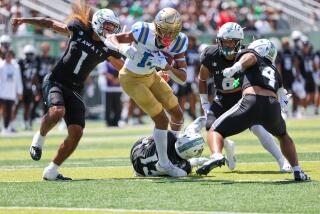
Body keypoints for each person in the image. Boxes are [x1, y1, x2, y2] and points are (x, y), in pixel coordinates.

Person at [12, 1, 124, 181]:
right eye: (107, 27)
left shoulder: (107, 48)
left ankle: (52, 170)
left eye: (113, 28)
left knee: (76, 132)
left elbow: (124, 67)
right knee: (57, 111)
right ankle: (39, 138)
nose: (110, 31)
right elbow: (49, 23)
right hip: (56, 80)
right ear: (97, 23)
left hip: (75, 89)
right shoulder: (78, 29)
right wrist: (25, 19)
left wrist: (155, 73)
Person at [196, 39, 310, 182]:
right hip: (272, 107)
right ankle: (297, 171)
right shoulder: (274, 70)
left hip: (252, 101)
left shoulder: (251, 55)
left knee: (214, 130)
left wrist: (235, 67)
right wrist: (283, 103)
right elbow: (283, 98)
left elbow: (250, 57)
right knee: (283, 135)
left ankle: (217, 155)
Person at [105, 8, 188, 177]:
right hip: (131, 78)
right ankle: (163, 163)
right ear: (156, 26)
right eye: (164, 31)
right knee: (161, 119)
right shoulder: (143, 31)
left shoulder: (179, 42)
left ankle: (171, 154)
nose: (167, 37)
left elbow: (182, 78)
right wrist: (123, 49)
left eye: (171, 33)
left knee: (177, 114)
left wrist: (168, 67)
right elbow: (110, 38)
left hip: (151, 75)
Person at [198, 22, 291, 172]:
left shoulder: (247, 55)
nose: (228, 45)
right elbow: (202, 79)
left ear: (239, 42)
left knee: (257, 127)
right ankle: (228, 150)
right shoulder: (210, 54)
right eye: (225, 41)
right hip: (221, 98)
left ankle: (282, 161)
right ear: (219, 41)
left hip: (242, 97)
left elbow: (265, 74)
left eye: (232, 42)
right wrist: (204, 103)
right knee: (211, 127)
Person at [131, 117, 208, 176]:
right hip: (140, 171)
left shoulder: (169, 137)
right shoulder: (184, 168)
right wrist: (196, 162)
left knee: (161, 136)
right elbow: (186, 167)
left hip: (137, 149)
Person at [0, 50, 23, 135]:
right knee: (2, 111)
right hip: (2, 92)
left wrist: (19, 92)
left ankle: (6, 128)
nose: (8, 57)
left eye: (10, 56)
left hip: (11, 94)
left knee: (9, 112)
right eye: (7, 56)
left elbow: (18, 80)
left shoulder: (16, 67)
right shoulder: (1, 66)